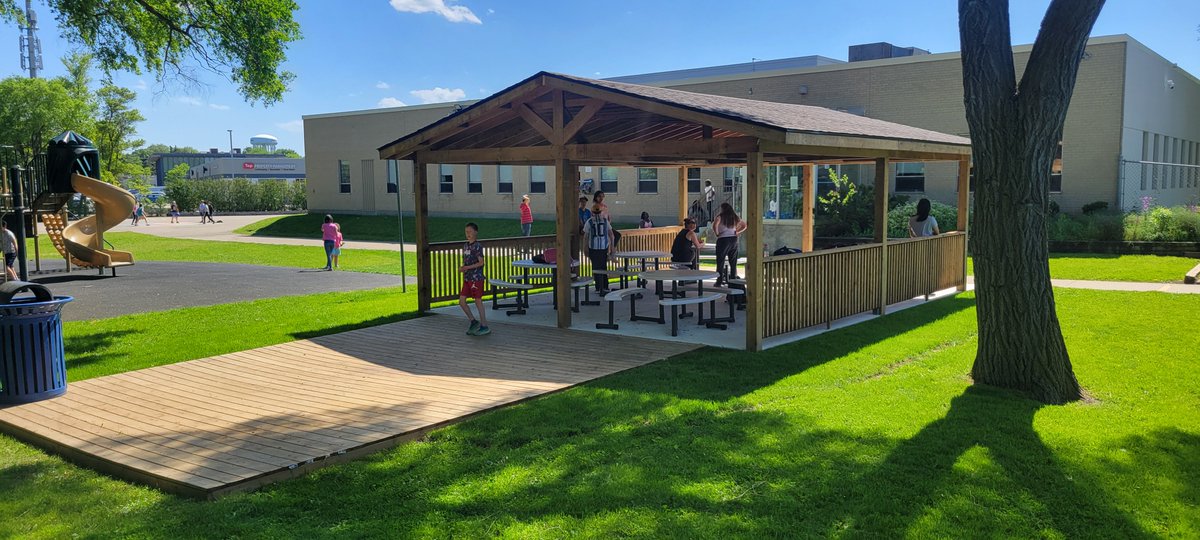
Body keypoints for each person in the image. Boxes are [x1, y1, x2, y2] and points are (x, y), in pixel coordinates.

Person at [459, 222, 490, 336]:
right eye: (466, 232)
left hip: (476, 278)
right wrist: (464, 268)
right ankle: (473, 321)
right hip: (467, 278)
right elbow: (467, 260)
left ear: (475, 232)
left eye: (470, 231)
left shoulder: (477, 246)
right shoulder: (466, 245)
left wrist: (468, 267)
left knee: (478, 301)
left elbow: (481, 262)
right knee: (462, 301)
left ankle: (484, 325)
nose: (468, 234)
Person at [584, 202, 614, 295]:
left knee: (596, 268)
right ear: (600, 212)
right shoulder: (605, 221)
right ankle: (605, 286)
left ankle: (598, 287)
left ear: (592, 212)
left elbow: (585, 236)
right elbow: (611, 235)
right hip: (603, 247)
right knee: (603, 267)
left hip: (593, 248)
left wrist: (585, 248)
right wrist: (612, 247)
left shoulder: (589, 222)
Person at [714, 202, 747, 286]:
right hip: (734, 239)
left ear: (722, 209)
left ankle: (719, 280)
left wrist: (717, 233)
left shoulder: (720, 216)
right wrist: (737, 231)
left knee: (720, 260)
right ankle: (733, 279)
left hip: (723, 239)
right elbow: (744, 225)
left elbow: (715, 225)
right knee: (733, 260)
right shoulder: (735, 217)